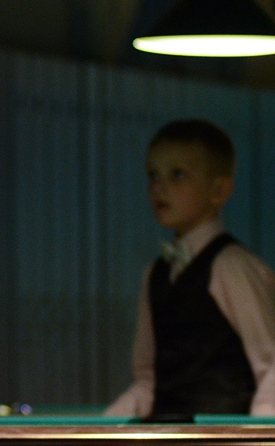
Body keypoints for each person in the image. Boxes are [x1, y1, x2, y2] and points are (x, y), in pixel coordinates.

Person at [107, 120, 275, 418]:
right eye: (153, 175)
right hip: (164, 439)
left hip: (222, 441)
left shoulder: (232, 266)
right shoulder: (155, 273)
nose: (158, 186)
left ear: (219, 190)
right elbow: (147, 382)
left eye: (178, 174)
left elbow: (270, 367)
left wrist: (259, 438)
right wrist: (95, 430)